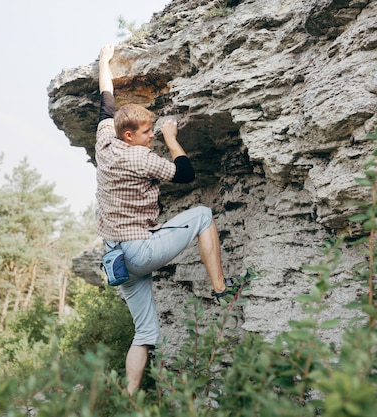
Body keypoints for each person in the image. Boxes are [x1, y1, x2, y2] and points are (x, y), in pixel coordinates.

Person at [95, 44, 245, 394]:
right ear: (129, 136)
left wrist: (104, 61)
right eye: (147, 133)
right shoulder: (141, 159)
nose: (152, 138)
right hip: (139, 251)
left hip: (115, 259)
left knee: (144, 334)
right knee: (203, 215)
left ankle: (127, 400)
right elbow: (186, 174)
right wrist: (171, 138)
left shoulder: (105, 141)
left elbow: (106, 103)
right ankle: (223, 290)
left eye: (154, 132)